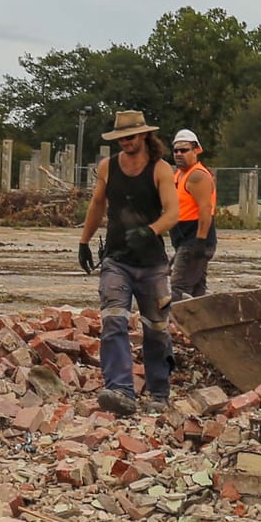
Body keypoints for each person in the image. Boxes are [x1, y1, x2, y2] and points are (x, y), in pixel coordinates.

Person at [76, 110, 180, 414]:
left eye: (131, 137)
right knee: (113, 319)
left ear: (145, 135)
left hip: (152, 265)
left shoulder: (160, 169)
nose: (126, 143)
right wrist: (84, 241)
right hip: (116, 259)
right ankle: (120, 389)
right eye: (121, 138)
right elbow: (97, 204)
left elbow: (172, 213)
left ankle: (159, 391)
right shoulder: (108, 167)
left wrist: (150, 232)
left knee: (157, 328)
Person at [169, 129, 218, 299]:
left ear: (196, 150)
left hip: (195, 239)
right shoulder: (180, 175)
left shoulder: (197, 176)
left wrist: (200, 241)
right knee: (197, 289)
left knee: (178, 288)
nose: (179, 154)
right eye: (176, 150)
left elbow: (205, 209)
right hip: (185, 239)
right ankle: (203, 323)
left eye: (184, 150)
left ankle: (173, 324)